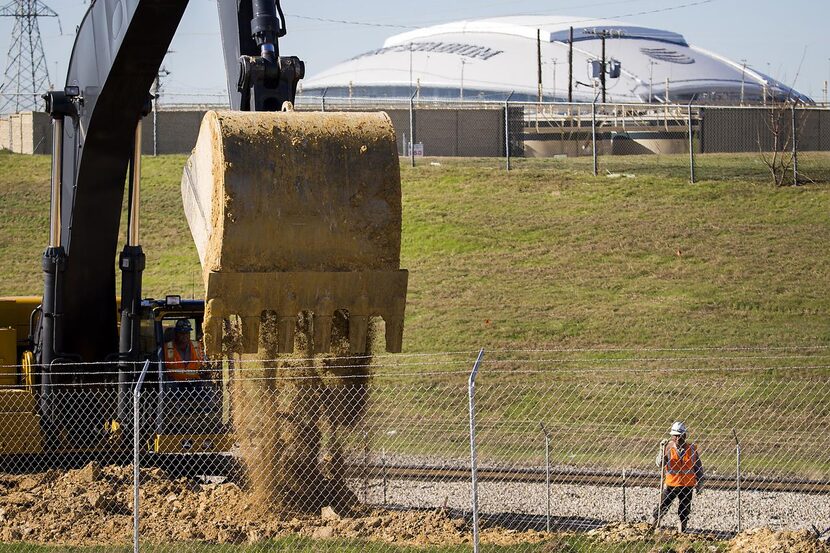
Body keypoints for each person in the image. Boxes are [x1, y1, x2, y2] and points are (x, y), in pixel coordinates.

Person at [652, 421, 704, 533]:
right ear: (671, 436)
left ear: (684, 435)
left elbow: (698, 468)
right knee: (663, 505)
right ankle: (654, 525)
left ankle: (682, 530)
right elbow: (660, 464)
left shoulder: (692, 450)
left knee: (684, 510)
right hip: (671, 484)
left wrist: (700, 483)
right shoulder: (667, 448)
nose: (677, 438)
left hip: (687, 485)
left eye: (679, 435)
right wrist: (661, 451)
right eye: (675, 435)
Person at [162, 319, 205, 390]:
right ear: (176, 333)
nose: (185, 335)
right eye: (182, 333)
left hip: (195, 385)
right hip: (174, 387)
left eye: (187, 333)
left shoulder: (198, 346)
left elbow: (205, 365)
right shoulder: (166, 348)